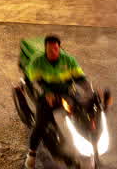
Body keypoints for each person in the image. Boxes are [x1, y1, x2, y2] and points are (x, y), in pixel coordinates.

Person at [23, 36, 87, 169]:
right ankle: (32, 154)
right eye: (50, 50)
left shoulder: (69, 60)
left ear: (60, 48)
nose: (53, 52)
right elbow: (33, 82)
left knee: (85, 113)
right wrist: (46, 94)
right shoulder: (37, 61)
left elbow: (80, 78)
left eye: (56, 49)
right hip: (47, 96)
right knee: (40, 124)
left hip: (67, 93)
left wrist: (90, 90)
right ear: (45, 49)